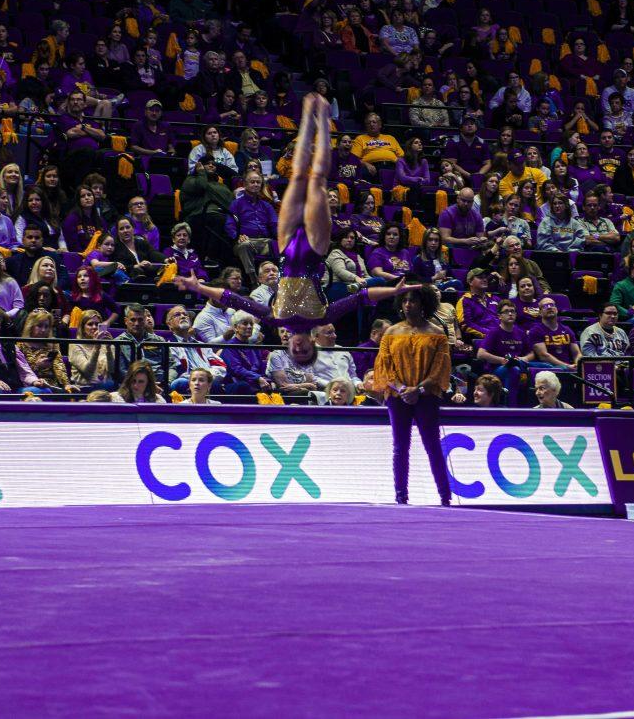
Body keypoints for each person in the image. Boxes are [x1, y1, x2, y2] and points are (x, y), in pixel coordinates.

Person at [175, 95, 415, 334]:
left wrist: (200, 288)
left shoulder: (277, 318)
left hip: (288, 251)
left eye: (296, 351)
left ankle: (308, 116)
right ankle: (322, 118)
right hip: (314, 252)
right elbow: (362, 296)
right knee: (318, 179)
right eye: (304, 351)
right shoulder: (321, 316)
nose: (298, 347)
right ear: (310, 345)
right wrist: (393, 291)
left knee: (299, 176)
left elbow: (233, 299)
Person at [371, 284, 452, 506]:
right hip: (397, 397)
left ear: (423, 303)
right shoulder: (391, 332)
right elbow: (384, 367)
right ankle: (401, 497)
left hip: (426, 396)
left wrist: (419, 389)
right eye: (405, 301)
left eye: (413, 301)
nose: (408, 305)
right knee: (400, 446)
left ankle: (445, 496)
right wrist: (401, 389)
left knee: (432, 445)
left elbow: (440, 369)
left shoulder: (437, 333)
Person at [68, 310, 116, 389]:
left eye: (97, 324)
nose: (94, 327)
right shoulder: (75, 345)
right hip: (84, 388)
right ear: (82, 328)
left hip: (106, 388)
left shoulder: (107, 344)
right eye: (90, 324)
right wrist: (97, 348)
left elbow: (112, 370)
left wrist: (109, 348)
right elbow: (88, 371)